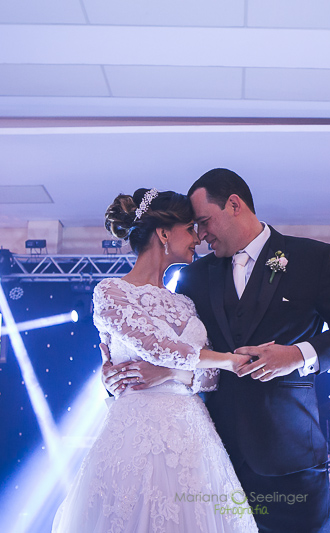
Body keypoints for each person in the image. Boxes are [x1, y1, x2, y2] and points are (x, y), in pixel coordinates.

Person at [105, 169, 330, 532]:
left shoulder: (311, 258)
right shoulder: (195, 276)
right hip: (213, 458)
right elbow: (177, 350)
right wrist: (118, 370)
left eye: (203, 221)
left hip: (290, 457)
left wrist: (297, 355)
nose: (200, 235)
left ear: (234, 205)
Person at [53, 188, 258, 533]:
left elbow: (209, 379)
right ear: (164, 233)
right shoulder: (111, 292)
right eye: (190, 229)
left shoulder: (185, 304)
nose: (198, 238)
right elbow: (158, 347)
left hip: (192, 436)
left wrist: (169, 373)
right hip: (137, 435)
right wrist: (226, 359)